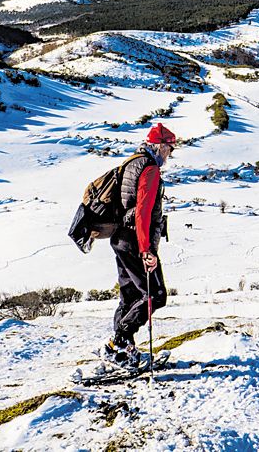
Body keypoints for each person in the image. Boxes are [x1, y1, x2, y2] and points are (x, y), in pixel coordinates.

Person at [104, 123, 176, 366]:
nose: (169, 155)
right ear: (160, 146)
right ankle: (120, 341)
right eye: (169, 149)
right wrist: (146, 249)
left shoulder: (131, 163)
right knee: (156, 295)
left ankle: (121, 352)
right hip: (136, 240)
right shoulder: (150, 168)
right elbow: (143, 212)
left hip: (121, 238)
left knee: (130, 295)